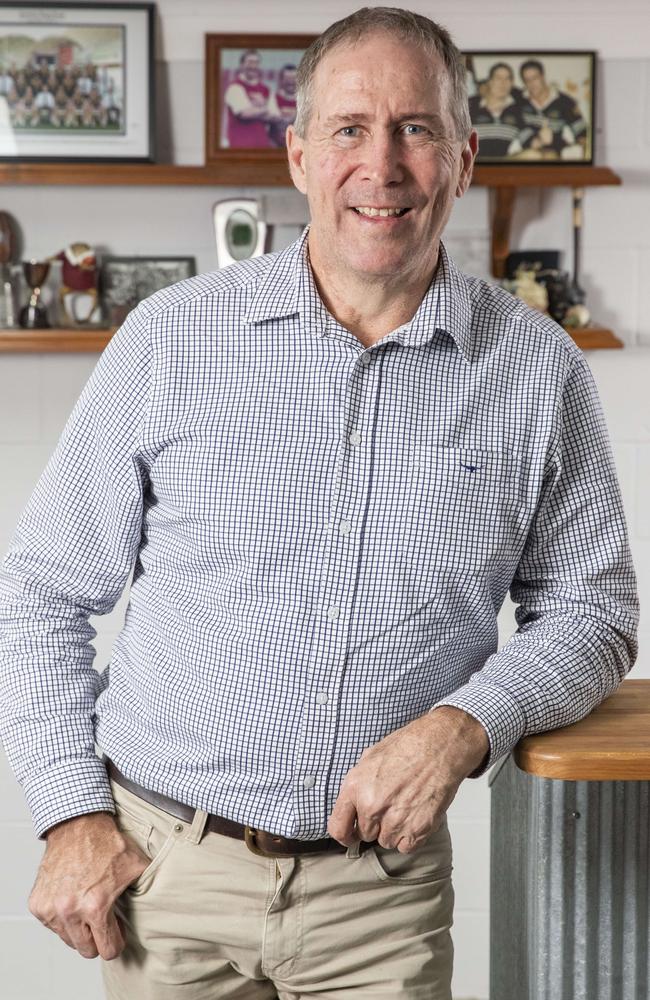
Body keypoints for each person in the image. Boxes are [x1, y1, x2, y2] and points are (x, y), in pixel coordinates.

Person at [0, 7, 638, 1000]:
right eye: (347, 129)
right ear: (297, 156)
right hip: (165, 882)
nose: (379, 165)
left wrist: (465, 724)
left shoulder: (533, 370)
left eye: (414, 130)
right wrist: (68, 811)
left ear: (463, 158)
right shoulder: (171, 340)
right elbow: (38, 590)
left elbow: (592, 615)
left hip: (380, 901)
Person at [519, 58, 588, 159]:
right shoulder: (520, 102)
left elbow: (582, 132)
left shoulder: (565, 102)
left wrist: (583, 150)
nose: (532, 84)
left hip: (552, 154)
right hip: (526, 154)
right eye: (527, 80)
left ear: (543, 77)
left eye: (535, 78)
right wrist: (535, 141)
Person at [468, 61, 532, 159]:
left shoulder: (519, 108)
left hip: (504, 165)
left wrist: (538, 141)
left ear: (512, 83)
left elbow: (527, 136)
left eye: (507, 79)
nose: (503, 83)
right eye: (498, 78)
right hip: (473, 165)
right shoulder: (470, 105)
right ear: (490, 81)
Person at [223, 48, 277, 148]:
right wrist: (264, 108)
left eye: (256, 62)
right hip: (239, 148)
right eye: (250, 62)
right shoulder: (235, 87)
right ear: (242, 65)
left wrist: (255, 109)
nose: (253, 66)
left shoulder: (266, 89)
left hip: (262, 147)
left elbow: (275, 117)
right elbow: (244, 114)